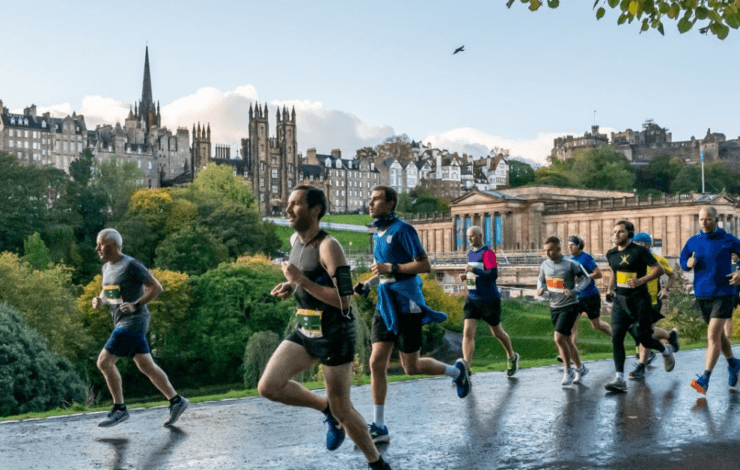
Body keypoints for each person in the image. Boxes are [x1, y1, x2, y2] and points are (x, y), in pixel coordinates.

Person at [258, 186, 391, 470]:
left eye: (295, 204)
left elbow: (344, 300)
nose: (288, 210)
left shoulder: (329, 246)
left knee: (344, 407)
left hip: (334, 334)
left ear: (315, 209)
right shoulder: (296, 240)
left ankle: (376, 463)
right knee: (269, 386)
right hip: (305, 330)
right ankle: (325, 409)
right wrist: (290, 285)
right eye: (288, 204)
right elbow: (302, 277)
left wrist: (301, 282)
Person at [354, 185, 467, 445]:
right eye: (370, 199)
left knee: (411, 366)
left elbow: (424, 265)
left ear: (391, 202)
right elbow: (384, 271)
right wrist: (367, 284)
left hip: (407, 303)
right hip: (385, 304)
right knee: (375, 362)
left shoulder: (404, 230)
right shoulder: (377, 234)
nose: (370, 204)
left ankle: (456, 372)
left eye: (376, 199)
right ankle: (379, 425)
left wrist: (390, 267)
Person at [93, 228, 188, 427]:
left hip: (134, 321)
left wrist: (136, 303)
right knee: (147, 366)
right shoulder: (106, 268)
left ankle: (120, 409)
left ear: (113, 246)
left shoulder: (132, 265)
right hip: (120, 321)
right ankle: (177, 401)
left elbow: (156, 287)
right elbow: (107, 290)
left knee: (104, 362)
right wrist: (100, 301)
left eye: (100, 245)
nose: (97, 249)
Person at [604, 220, 675, 393]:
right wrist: (609, 289)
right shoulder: (611, 253)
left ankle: (665, 350)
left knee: (643, 338)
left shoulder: (640, 251)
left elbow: (658, 270)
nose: (616, 235)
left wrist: (640, 281)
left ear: (629, 234)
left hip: (639, 300)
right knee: (617, 337)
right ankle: (619, 379)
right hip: (620, 301)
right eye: (614, 232)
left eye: (620, 232)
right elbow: (614, 271)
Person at [680, 206, 740, 395]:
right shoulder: (693, 242)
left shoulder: (728, 239)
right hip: (702, 293)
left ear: (716, 219)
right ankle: (733, 363)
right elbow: (683, 261)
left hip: (724, 292)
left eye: (708, 219)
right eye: (701, 219)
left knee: (713, 335)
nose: (704, 223)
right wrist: (687, 264)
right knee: (720, 336)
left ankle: (705, 379)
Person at [458, 226, 518, 377]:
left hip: (489, 299)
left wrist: (474, 269)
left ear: (480, 236)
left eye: (472, 236)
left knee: (496, 332)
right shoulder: (470, 253)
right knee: (467, 332)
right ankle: (467, 366)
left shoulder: (488, 253)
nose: (469, 239)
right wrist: (466, 276)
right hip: (472, 298)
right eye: (468, 236)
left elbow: (492, 275)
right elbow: (474, 273)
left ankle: (511, 356)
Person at [536, 236, 591, 386]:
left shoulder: (570, 264)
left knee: (559, 338)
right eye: (545, 250)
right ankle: (580, 368)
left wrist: (575, 290)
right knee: (566, 340)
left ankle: (568, 371)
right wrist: (540, 289)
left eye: (551, 250)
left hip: (570, 306)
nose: (548, 253)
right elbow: (540, 279)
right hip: (554, 306)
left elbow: (586, 279)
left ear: (559, 249)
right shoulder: (545, 265)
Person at [628, 232, 679, 379]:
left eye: (641, 244)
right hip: (635, 302)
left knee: (645, 331)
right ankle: (670, 336)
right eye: (635, 243)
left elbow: (673, 275)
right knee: (642, 331)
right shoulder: (629, 260)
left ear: (647, 245)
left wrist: (666, 289)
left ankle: (641, 366)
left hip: (653, 302)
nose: (638, 247)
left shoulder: (657, 260)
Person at [566, 236, 612, 350]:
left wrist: (584, 277)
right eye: (568, 246)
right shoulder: (570, 260)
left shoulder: (586, 258)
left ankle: (616, 337)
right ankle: (571, 355)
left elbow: (598, 274)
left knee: (596, 325)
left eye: (572, 245)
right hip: (576, 297)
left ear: (579, 246)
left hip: (590, 296)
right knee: (571, 326)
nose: (570, 247)